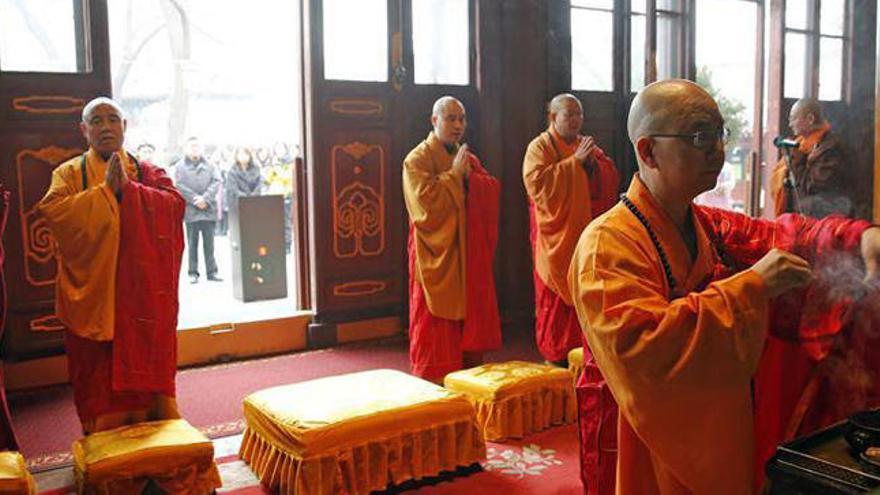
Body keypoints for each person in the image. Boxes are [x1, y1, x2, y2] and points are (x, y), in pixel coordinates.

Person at [568, 79, 879, 493]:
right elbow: (641, 347)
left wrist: (858, 239)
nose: (717, 149)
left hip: (713, 434)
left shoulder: (706, 224)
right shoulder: (606, 244)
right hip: (640, 437)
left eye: (719, 134)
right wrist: (750, 289)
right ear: (648, 151)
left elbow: (788, 237)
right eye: (700, 136)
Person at [37, 97, 185, 433]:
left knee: (148, 375)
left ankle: (158, 439)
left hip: (141, 292)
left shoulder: (146, 171)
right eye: (96, 120)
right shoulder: (69, 173)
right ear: (83, 130)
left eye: (113, 119)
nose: (105, 127)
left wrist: (130, 192)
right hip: (94, 295)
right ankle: (105, 445)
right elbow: (54, 212)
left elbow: (175, 205)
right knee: (97, 374)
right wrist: (105, 195)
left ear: (125, 126)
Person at [402, 96, 501, 382]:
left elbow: (489, 187)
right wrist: (455, 177)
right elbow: (424, 204)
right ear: (434, 121)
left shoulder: (467, 157)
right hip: (434, 251)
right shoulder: (416, 160)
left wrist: (470, 180)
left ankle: (466, 377)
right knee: (432, 320)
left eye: (462, 119)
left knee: (466, 316)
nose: (458, 125)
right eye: (451, 119)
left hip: (464, 252)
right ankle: (433, 377)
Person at [522, 93, 619, 367]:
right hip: (553, 238)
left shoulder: (584, 145)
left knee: (583, 294)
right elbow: (537, 185)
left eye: (579, 115)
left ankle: (581, 352)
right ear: (553, 117)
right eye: (569, 115)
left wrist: (591, 167)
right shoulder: (539, 148)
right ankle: (555, 355)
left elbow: (609, 175)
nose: (576, 120)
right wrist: (574, 165)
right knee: (554, 301)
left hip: (582, 237)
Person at [770, 98, 852, 218]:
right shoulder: (800, 144)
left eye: (794, 118)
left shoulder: (830, 147)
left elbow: (812, 188)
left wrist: (797, 160)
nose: (790, 124)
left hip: (822, 219)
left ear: (810, 119)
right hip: (799, 216)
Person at [174, 136, 222, 284]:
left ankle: (212, 272)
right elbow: (179, 185)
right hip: (191, 210)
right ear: (186, 149)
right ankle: (193, 272)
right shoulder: (179, 166)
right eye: (192, 146)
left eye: (197, 146)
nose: (195, 149)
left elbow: (216, 181)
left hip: (208, 209)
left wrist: (205, 199)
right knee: (192, 244)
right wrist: (195, 199)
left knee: (210, 244)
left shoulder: (211, 165)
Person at [225, 146, 265, 211]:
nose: (243, 156)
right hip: (238, 205)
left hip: (255, 203)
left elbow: (259, 184)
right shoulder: (232, 171)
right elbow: (233, 189)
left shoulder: (256, 168)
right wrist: (246, 199)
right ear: (236, 156)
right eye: (240, 154)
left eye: (246, 154)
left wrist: (253, 196)